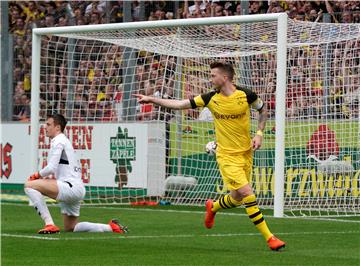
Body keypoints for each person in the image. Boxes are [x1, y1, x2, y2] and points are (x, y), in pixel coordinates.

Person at [133, 61, 285, 251]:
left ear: (225, 77)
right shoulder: (210, 98)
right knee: (248, 193)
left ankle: (213, 207)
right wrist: (153, 99)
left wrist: (259, 133)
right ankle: (270, 238)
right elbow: (181, 104)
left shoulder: (246, 95)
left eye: (213, 75)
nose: (210, 78)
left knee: (237, 198)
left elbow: (263, 110)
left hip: (246, 153)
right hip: (226, 156)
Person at [24, 114, 127, 234]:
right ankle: (110, 227)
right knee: (71, 227)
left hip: (69, 186)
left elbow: (51, 168)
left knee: (29, 185)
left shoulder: (59, 141)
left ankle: (49, 224)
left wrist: (36, 175)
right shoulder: (64, 141)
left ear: (57, 127)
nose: (45, 126)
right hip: (77, 188)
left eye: (48, 124)